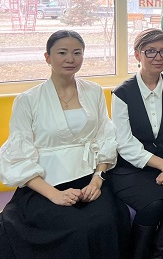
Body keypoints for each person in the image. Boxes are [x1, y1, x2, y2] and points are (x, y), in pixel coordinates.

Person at [0, 30, 129, 258]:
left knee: (106, 221)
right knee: (76, 228)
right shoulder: (28, 100)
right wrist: (54, 195)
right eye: (62, 53)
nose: (70, 59)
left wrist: (97, 180)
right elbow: (18, 155)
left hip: (89, 178)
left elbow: (106, 137)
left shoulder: (94, 92)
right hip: (44, 183)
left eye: (77, 53)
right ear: (47, 57)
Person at [110, 28, 163, 259]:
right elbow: (124, 142)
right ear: (137, 54)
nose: (158, 57)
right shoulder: (122, 93)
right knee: (153, 205)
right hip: (130, 168)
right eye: (150, 51)